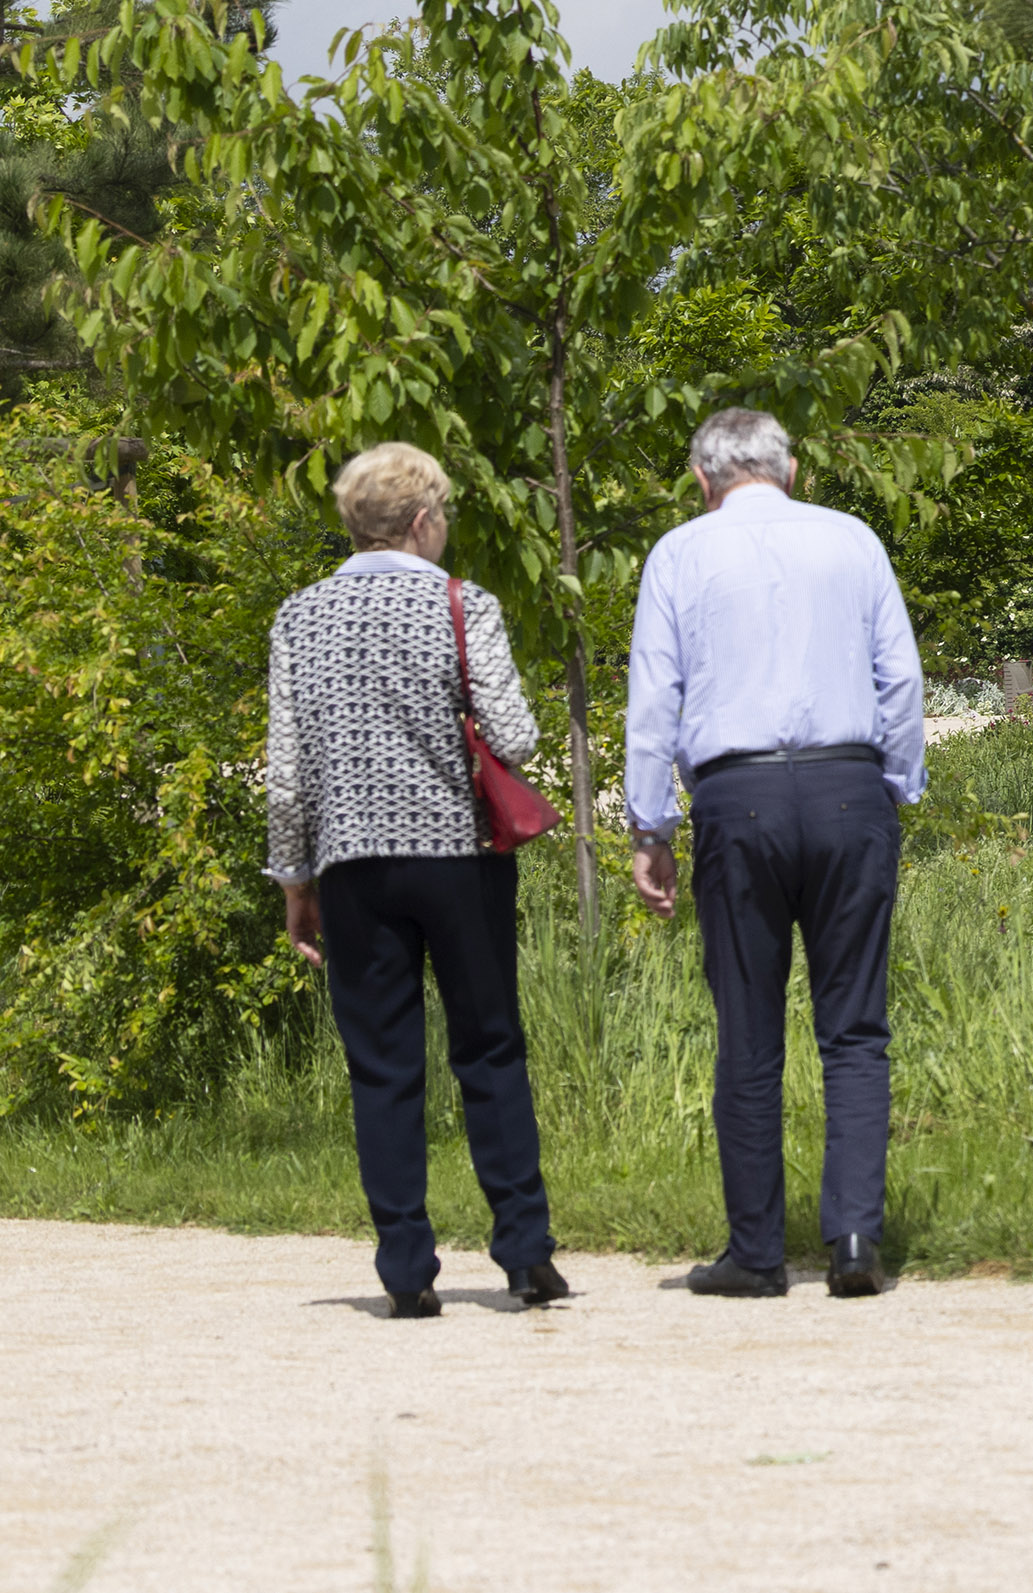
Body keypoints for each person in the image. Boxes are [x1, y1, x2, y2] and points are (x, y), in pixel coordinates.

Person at [625, 407, 927, 1300]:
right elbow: (900, 678)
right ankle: (854, 1240)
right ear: (791, 470)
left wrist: (652, 826)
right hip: (845, 786)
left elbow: (656, 697)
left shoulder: (679, 553)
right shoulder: (854, 541)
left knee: (749, 1033)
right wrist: (896, 785)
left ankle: (756, 1253)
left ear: (702, 480)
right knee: (855, 1028)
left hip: (737, 795)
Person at [264, 441, 570, 1319]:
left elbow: (287, 772)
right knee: (488, 1045)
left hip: (354, 866)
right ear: (425, 519)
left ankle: (405, 1267)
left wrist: (295, 879)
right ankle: (523, 1249)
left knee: (383, 1066)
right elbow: (514, 737)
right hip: (460, 859)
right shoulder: (460, 602)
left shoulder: (299, 616)